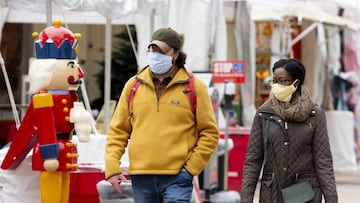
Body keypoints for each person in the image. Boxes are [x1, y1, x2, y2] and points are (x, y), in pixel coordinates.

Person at [104, 27, 219, 202]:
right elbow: (118, 131)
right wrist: (112, 168)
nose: (155, 54)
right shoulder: (133, 86)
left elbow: (209, 133)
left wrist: (191, 169)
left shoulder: (195, 88)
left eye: (162, 51)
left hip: (178, 177)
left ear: (175, 54)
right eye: (152, 49)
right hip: (141, 177)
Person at [241, 58, 338, 202]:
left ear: (296, 83)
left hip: (304, 194)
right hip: (272, 193)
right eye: (274, 81)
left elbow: (323, 162)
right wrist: (246, 198)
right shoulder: (264, 114)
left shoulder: (315, 115)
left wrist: (332, 199)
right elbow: (253, 161)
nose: (276, 85)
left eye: (282, 80)